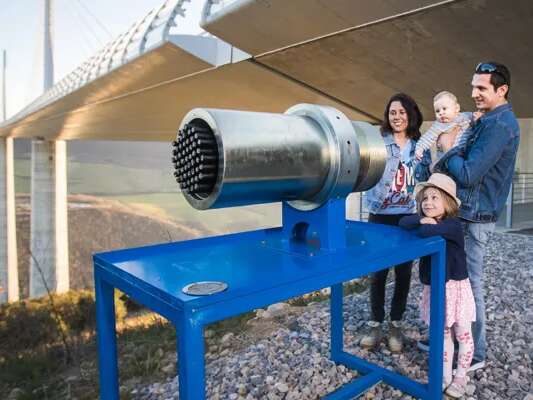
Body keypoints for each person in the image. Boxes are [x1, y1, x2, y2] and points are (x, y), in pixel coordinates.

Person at [433, 62, 520, 372]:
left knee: (469, 285)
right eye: (473, 86)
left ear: (502, 89)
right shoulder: (487, 120)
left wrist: (448, 149)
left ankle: (477, 353)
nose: (473, 94)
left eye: (481, 88)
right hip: (466, 214)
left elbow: (468, 174)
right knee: (455, 282)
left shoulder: (499, 125)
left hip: (475, 218)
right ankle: (455, 340)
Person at [360, 93, 428, 353]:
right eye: (392, 112)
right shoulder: (378, 141)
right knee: (378, 272)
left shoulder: (420, 144)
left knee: (403, 272)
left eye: (401, 112)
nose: (397, 117)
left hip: (407, 215)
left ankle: (395, 323)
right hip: (380, 213)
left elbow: (427, 175)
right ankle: (375, 322)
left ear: (411, 114)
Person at [399, 173, 476, 398]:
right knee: (442, 334)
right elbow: (403, 222)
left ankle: (461, 376)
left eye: (435, 198)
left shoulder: (453, 225)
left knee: (462, 333)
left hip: (456, 287)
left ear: (448, 202)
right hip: (436, 287)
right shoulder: (429, 219)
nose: (429, 203)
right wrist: (421, 217)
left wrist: (424, 222)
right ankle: (444, 375)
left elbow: (426, 231)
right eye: (425, 199)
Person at [415, 91, 480, 162]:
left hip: (466, 154)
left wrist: (477, 117)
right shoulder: (438, 125)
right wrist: (420, 148)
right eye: (437, 111)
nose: (441, 113)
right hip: (447, 159)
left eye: (444, 108)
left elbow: (478, 120)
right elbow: (427, 137)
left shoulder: (466, 116)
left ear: (457, 108)